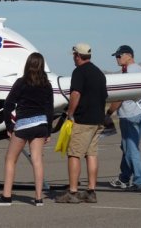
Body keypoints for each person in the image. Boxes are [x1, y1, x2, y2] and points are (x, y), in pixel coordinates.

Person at [0, 52, 54, 206]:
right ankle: (38, 198)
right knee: (37, 160)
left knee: (10, 159)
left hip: (24, 124)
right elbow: (49, 109)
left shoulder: (21, 82)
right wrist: (48, 131)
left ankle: (6, 196)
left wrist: (9, 126)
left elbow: (8, 105)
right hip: (41, 125)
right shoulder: (47, 85)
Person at [55, 43, 107, 204]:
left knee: (74, 154)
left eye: (74, 55)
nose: (73, 58)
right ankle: (91, 191)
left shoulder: (79, 72)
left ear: (78, 56)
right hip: (98, 119)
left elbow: (76, 93)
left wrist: (70, 113)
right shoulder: (99, 73)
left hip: (83, 120)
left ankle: (73, 192)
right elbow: (104, 95)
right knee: (91, 154)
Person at [106, 45, 141, 192]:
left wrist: (109, 112)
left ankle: (140, 182)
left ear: (129, 55)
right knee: (127, 147)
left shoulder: (128, 72)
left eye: (119, 55)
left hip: (129, 116)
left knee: (131, 150)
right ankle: (123, 178)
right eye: (116, 56)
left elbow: (120, 97)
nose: (117, 58)